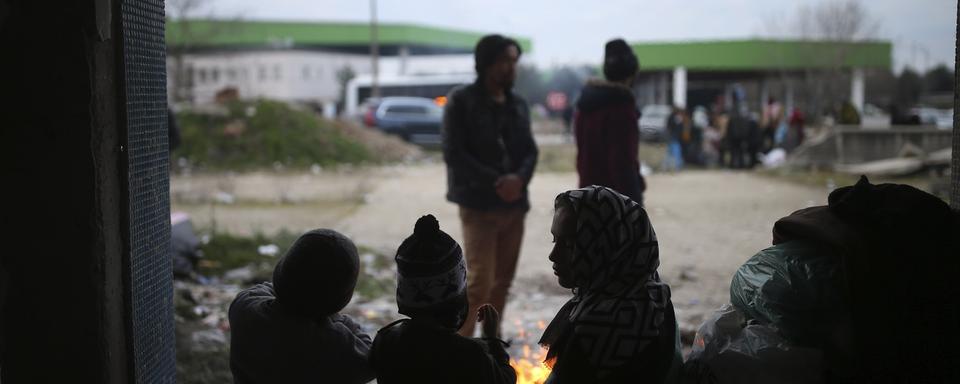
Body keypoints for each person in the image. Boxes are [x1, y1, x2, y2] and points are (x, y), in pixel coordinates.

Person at [442, 34, 539, 337]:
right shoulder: (461, 101)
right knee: (479, 284)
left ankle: (491, 347)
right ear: (486, 63)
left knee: (502, 284)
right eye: (504, 61)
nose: (511, 67)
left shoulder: (519, 105)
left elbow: (530, 151)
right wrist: (497, 181)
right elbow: (453, 153)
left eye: (514, 61)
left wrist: (519, 180)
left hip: (514, 207)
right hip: (478, 206)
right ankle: (461, 351)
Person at [540, 186, 683, 384]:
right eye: (555, 240)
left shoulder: (594, 327)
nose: (553, 255)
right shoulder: (657, 298)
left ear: (604, 246)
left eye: (570, 244)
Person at [369, 215, 516, 384]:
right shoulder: (469, 355)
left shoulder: (386, 341)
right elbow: (505, 380)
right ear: (456, 295)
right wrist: (492, 339)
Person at [228, 229, 374, 384]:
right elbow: (370, 357)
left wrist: (291, 287)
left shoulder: (244, 308)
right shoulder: (334, 345)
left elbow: (264, 289)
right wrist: (336, 316)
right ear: (341, 301)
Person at [573, 38, 645, 204]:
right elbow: (623, 165)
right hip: (615, 204)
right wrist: (635, 207)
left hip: (587, 197)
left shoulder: (584, 106)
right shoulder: (622, 109)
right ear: (632, 74)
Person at [663, 106, 687, 172]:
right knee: (676, 153)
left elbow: (668, 127)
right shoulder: (676, 118)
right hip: (674, 138)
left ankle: (666, 167)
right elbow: (678, 128)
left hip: (672, 137)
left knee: (669, 153)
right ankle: (677, 167)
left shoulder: (671, 117)